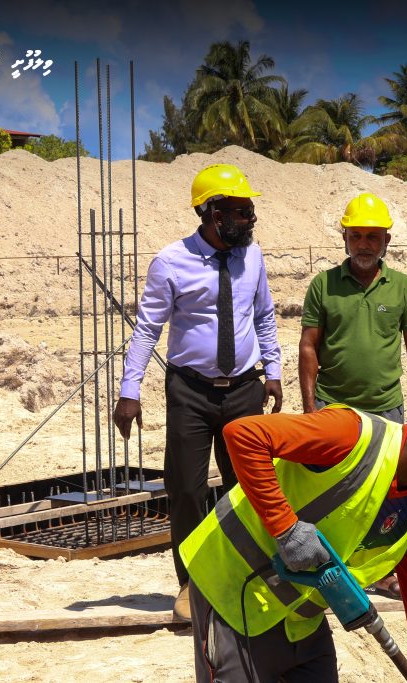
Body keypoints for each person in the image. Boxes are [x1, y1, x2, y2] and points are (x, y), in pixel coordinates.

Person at [179, 367, 407, 683]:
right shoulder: (352, 435)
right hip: (231, 592)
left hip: (299, 622)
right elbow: (243, 435)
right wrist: (286, 528)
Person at [113, 163, 283, 621]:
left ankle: (248, 574)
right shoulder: (170, 262)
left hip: (245, 388)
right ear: (212, 213)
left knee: (247, 486)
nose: (250, 219)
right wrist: (130, 390)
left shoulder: (253, 256)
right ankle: (191, 582)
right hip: (190, 391)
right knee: (186, 489)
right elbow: (147, 329)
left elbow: (263, 315)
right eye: (241, 211)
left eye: (250, 210)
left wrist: (272, 370)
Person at [299, 193, 407, 598]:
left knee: (385, 495)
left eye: (373, 236)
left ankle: (379, 570)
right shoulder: (323, 285)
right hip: (333, 408)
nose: (364, 244)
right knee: (331, 491)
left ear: (386, 240)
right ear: (345, 238)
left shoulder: (402, 287)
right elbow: (308, 346)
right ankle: (329, 568)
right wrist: (309, 408)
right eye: (356, 236)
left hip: (386, 409)